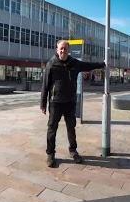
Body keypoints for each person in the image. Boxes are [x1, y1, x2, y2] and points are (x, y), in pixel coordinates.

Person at [40, 39, 105, 168]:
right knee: (52, 129)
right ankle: (50, 154)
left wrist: (102, 64)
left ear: (68, 50)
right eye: (61, 49)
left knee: (71, 128)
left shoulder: (74, 63)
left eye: (65, 48)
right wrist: (42, 103)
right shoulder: (51, 64)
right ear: (57, 50)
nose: (63, 50)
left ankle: (73, 151)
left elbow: (88, 65)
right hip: (55, 103)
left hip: (70, 102)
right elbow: (45, 85)